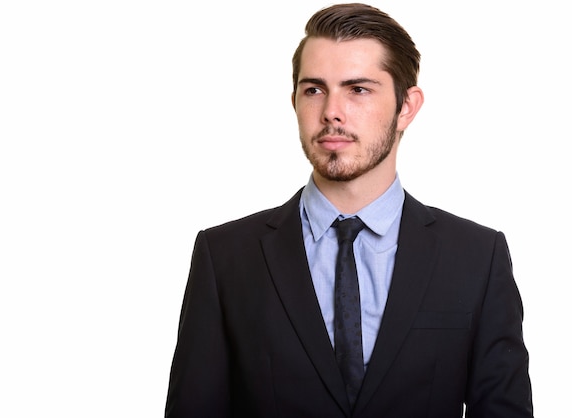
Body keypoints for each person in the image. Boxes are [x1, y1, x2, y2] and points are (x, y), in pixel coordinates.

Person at [164, 3, 533, 417]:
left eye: (358, 89)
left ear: (406, 107)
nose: (331, 112)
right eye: (314, 89)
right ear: (295, 101)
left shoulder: (477, 257)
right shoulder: (226, 256)